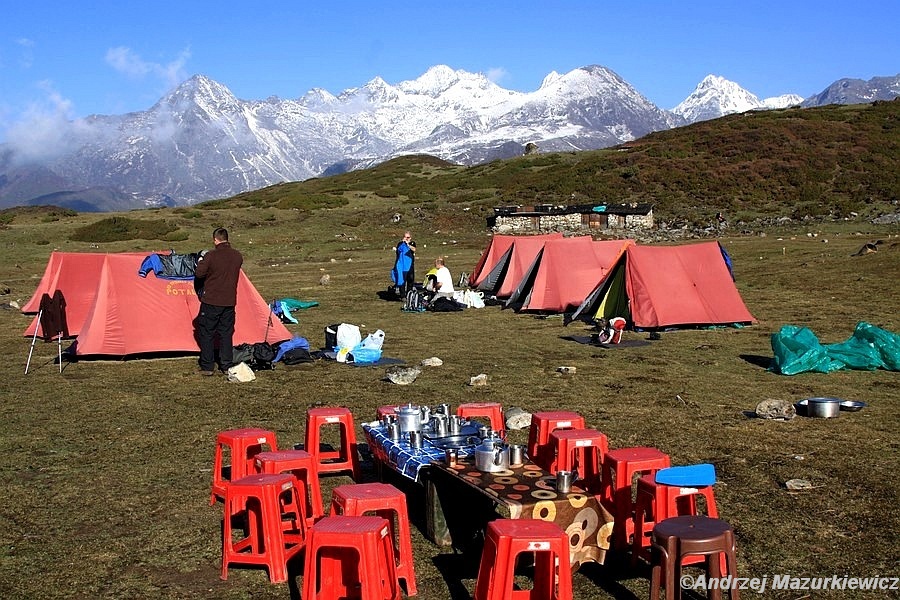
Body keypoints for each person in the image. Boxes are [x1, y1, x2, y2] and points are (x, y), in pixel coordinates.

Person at [194, 227, 243, 375]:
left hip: (212, 301)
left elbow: (199, 273)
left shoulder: (211, 255)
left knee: (207, 332)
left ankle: (208, 366)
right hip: (229, 301)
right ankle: (226, 365)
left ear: (215, 240)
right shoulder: (237, 256)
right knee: (226, 333)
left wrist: (202, 260)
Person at [391, 230, 416, 296]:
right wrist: (403, 243)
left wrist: (408, 244)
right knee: (402, 280)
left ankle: (409, 294)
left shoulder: (412, 243)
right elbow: (398, 250)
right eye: (405, 237)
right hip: (402, 265)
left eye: (408, 237)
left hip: (410, 265)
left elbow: (414, 249)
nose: (407, 239)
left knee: (410, 279)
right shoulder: (400, 244)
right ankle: (402, 294)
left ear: (410, 238)